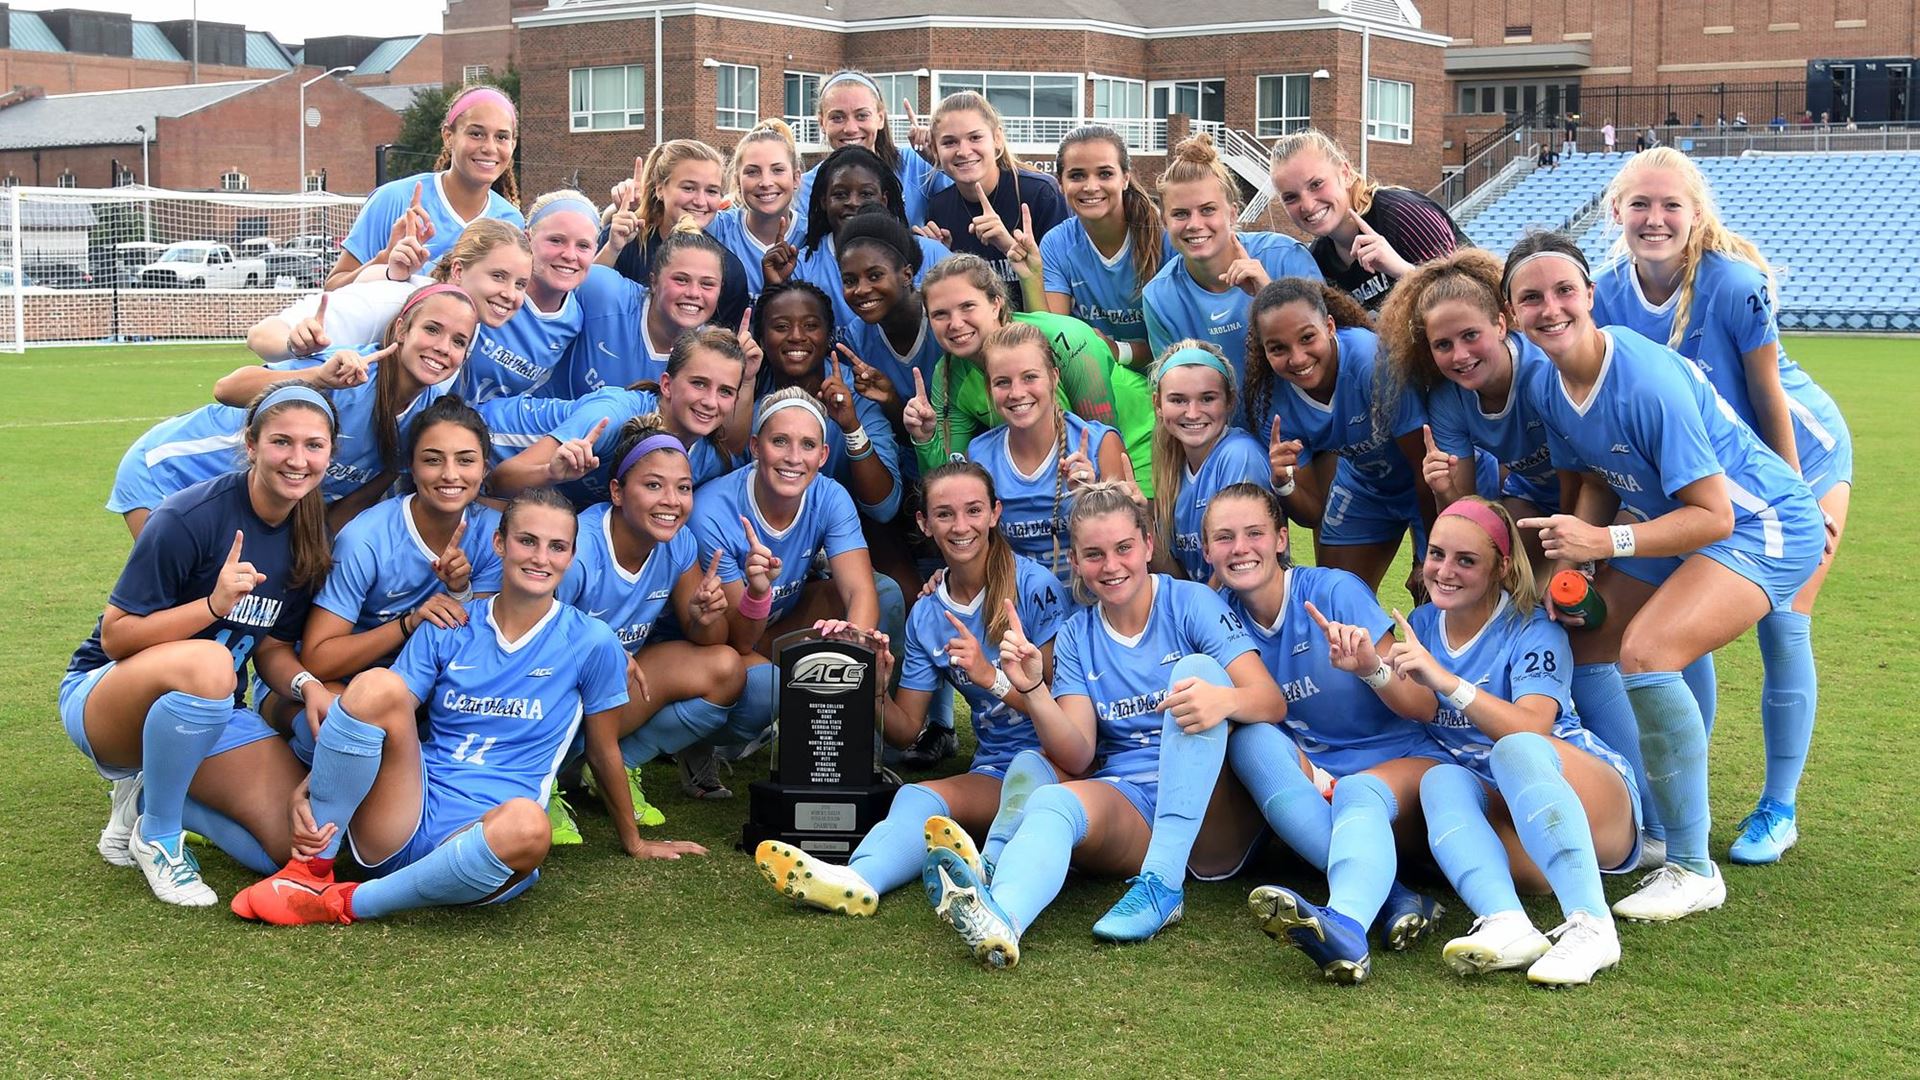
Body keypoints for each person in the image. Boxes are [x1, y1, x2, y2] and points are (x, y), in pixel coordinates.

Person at [1503, 231, 1824, 922]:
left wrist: (1605, 540)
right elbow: (1591, 472)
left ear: (1590, 296)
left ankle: (1692, 864)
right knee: (1586, 646)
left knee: (1649, 652)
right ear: (1512, 314)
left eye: (1564, 291)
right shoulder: (1544, 380)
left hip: (1761, 524)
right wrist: (1574, 561)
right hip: (1661, 516)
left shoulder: (1643, 379)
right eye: (1532, 297)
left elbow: (1712, 515)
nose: (1550, 307)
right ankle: (1652, 825)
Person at [231, 488, 708, 925]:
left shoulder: (592, 641)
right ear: (500, 544)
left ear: (572, 555)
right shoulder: (450, 623)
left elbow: (604, 749)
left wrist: (634, 839)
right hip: (404, 815)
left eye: (557, 547)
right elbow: (372, 708)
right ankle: (310, 869)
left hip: (489, 836)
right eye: (527, 541)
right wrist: (314, 787)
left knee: (529, 825)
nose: (541, 557)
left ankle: (346, 903)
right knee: (375, 682)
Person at [1593, 148, 1853, 863]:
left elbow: (1770, 401)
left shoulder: (1734, 285)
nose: (1654, 218)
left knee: (1784, 620)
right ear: (1616, 211)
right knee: (1673, 627)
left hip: (1797, 457)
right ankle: (1686, 794)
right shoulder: (1604, 293)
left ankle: (1779, 807)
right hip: (1698, 475)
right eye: (1640, 204)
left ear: (1696, 214)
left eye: (1671, 205)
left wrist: (1801, 502)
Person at [921, 483, 1286, 968]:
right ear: (1074, 560)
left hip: (1213, 810)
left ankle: (1163, 887)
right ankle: (1001, 916)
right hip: (1133, 802)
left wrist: (1221, 699)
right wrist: (1032, 689)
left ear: (1149, 545)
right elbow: (1076, 754)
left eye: (1123, 549)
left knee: (1191, 676)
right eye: (1094, 554)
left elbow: (1270, 702)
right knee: (1051, 798)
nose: (1111, 566)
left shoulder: (1191, 602)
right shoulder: (1076, 634)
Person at [753, 462, 1066, 914]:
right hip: (996, 766)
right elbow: (905, 732)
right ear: (924, 523)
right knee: (915, 795)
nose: (961, 526)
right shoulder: (926, 614)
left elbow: (1063, 708)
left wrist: (989, 677)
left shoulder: (1037, 587)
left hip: (1057, 764)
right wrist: (875, 691)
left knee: (1026, 772)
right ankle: (857, 878)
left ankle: (991, 879)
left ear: (995, 514)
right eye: (944, 514)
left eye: (974, 510)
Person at [64, 383, 334, 906]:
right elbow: (116, 636)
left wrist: (306, 684)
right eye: (281, 442)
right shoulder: (189, 516)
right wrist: (211, 607)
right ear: (251, 445)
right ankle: (160, 837)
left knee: (288, 846)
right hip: (106, 698)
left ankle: (155, 798)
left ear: (330, 453)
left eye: (314, 446)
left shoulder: (308, 531)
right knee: (211, 661)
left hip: (209, 713)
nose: (297, 459)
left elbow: (272, 647)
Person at [1201, 483, 1448, 983]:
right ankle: (1393, 896)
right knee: (1250, 739)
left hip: (1405, 769)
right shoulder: (1215, 615)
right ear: (1206, 551)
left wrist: (1370, 668)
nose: (1240, 548)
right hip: (1320, 782)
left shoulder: (1334, 591)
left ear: (1281, 540)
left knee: (1358, 792)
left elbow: (1423, 705)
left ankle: (1354, 917)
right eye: (1224, 538)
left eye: (1254, 533)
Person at [1398, 498, 1641, 986]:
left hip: (1588, 799)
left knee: (1516, 748)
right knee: (1441, 779)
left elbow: (1532, 727)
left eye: (1466, 560)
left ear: (1500, 568)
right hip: (1515, 819)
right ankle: (1505, 920)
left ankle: (1592, 925)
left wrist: (1447, 682)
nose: (1445, 571)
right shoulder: (1419, 626)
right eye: (1437, 554)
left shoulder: (1533, 624)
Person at [113, 285, 478, 536]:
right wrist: (319, 377)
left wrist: (316, 552)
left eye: (458, 341)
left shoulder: (424, 420)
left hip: (245, 507)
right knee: (172, 614)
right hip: (173, 470)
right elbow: (227, 389)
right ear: (402, 328)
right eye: (432, 329)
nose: (443, 347)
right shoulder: (350, 371)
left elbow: (356, 500)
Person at [563, 416, 767, 845]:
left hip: (614, 690)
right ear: (617, 492)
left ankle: (615, 766)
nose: (671, 501)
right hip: (553, 689)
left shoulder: (678, 543)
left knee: (727, 667)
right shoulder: (579, 547)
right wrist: (602, 654)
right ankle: (544, 785)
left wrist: (704, 614)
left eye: (684, 487)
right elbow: (531, 645)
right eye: (653, 485)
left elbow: (709, 642)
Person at [1243, 278, 1447, 594]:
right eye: (1278, 348)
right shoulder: (1271, 400)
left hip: (1431, 481)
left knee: (1438, 590)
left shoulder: (1371, 361)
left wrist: (1428, 554)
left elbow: (1423, 466)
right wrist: (1283, 482)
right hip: (1368, 485)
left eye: (1307, 337)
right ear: (1263, 349)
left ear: (1329, 326)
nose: (1297, 359)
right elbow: (1311, 514)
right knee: (1334, 599)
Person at [297, 397, 502, 702]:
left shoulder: (493, 535)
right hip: (345, 681)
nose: (449, 474)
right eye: (432, 460)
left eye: (465, 460)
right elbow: (318, 659)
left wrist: (460, 592)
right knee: (357, 724)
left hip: (430, 686)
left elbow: (480, 649)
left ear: (484, 469)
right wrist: (408, 623)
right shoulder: (366, 538)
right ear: (412, 466)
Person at [1377, 247, 1565, 574]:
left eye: (1470, 336)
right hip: (1532, 497)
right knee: (1493, 571)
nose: (1460, 355)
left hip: (1598, 493)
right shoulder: (1449, 400)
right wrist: (1443, 488)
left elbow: (1592, 476)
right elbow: (1462, 510)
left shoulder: (1545, 371)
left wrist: (1574, 558)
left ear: (1501, 325)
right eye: (1443, 345)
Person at [907, 252, 1154, 496]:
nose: (956, 323)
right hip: (1062, 468)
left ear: (996, 304)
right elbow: (950, 482)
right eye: (940, 314)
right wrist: (925, 438)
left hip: (1139, 441)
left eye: (967, 306)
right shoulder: (947, 373)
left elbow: (1101, 443)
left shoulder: (1066, 339)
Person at [689, 390, 884, 656]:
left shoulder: (829, 496)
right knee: (762, 687)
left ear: (823, 455)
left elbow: (859, 591)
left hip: (784, 622)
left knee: (885, 592)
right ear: (756, 447)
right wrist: (757, 592)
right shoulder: (711, 513)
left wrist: (850, 658)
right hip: (731, 645)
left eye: (808, 445)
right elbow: (739, 641)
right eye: (780, 441)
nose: (794, 457)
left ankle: (871, 692)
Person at [489, 325, 746, 506]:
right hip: (489, 444)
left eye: (725, 391)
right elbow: (499, 482)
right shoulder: (611, 417)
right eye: (699, 383)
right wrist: (550, 473)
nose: (710, 402)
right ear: (666, 385)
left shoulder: (706, 461)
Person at [1143, 134, 1321, 385]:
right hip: (1219, 423)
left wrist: (1270, 295)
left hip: (1304, 416)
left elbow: (1332, 351)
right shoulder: (1160, 297)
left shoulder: (1284, 256)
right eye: (1180, 214)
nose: (1194, 224)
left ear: (1233, 213)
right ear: (1165, 222)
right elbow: (1177, 391)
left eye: (1208, 210)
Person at [965, 322, 1127, 588]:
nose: (1017, 393)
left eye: (1030, 377)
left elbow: (1128, 549)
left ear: (1054, 377)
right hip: (1021, 608)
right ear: (989, 389)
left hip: (1095, 604)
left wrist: (1092, 496)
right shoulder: (981, 455)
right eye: (1002, 382)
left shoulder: (1100, 443)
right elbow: (978, 548)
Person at [248, 219, 530, 365]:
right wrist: (293, 344)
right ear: (458, 271)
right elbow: (259, 335)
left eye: (520, 284)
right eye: (498, 276)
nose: (509, 294)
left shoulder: (469, 326)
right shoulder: (392, 301)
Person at [330, 86, 521, 289]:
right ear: (448, 136)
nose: (490, 148)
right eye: (476, 133)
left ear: (513, 144)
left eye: (501, 137)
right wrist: (384, 262)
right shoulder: (394, 199)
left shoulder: (511, 222)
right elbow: (333, 287)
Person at [753, 279, 902, 522]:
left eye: (811, 325)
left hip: (849, 526)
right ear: (761, 338)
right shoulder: (750, 391)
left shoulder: (858, 393)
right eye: (781, 326)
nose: (797, 336)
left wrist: (851, 427)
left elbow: (884, 509)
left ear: (829, 334)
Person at [1270, 129, 1467, 312]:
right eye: (1291, 197)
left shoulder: (1400, 214)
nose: (1307, 205)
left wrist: (1403, 270)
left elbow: (1472, 296)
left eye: (1316, 184)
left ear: (1345, 174)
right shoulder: (1317, 260)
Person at [553, 218, 736, 397]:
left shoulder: (708, 353)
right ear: (654, 281)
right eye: (681, 280)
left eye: (707, 284)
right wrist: (611, 248)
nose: (694, 293)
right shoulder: (606, 293)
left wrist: (748, 381)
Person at [922, 90, 1070, 311]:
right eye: (950, 142)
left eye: (975, 137)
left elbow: (1058, 314)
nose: (963, 151)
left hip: (1035, 335)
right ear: (935, 149)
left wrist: (1007, 244)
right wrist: (943, 258)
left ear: (997, 139)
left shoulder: (1041, 194)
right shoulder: (939, 206)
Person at [446, 191, 601, 403]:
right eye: (556, 240)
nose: (570, 255)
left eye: (583, 246)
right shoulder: (485, 285)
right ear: (527, 238)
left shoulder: (573, 323)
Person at [1040, 125, 1170, 371]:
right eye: (1077, 175)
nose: (1090, 187)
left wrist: (1118, 350)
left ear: (1125, 178)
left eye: (1105, 174)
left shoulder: (1163, 236)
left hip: (1163, 379)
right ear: (1060, 183)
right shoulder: (1056, 243)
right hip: (1093, 377)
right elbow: (1059, 340)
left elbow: (1181, 339)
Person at [789, 146, 952, 338]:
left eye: (866, 194)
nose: (853, 202)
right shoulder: (802, 266)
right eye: (840, 194)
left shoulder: (931, 253)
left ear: (884, 200)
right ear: (824, 201)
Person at [1147, 341, 1269, 582]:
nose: (1192, 413)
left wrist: (1194, 616)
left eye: (1207, 398)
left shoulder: (1239, 456)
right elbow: (1177, 579)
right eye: (1178, 400)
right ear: (1157, 405)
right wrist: (1143, 521)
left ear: (1230, 401)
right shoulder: (1172, 467)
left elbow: (1237, 568)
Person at [597, 139, 751, 328]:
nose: (700, 201)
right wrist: (612, 249)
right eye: (688, 188)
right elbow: (582, 300)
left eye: (711, 191)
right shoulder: (622, 241)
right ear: (660, 189)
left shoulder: (729, 268)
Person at [793, 70, 951, 227]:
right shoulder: (807, 187)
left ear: (880, 118)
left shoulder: (915, 164)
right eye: (837, 117)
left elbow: (965, 200)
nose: (851, 128)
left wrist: (939, 160)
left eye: (862, 115)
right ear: (821, 123)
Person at [709, 118, 809, 301]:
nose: (765, 182)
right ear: (737, 181)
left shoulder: (812, 238)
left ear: (796, 179)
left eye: (777, 170)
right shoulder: (718, 229)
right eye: (752, 172)